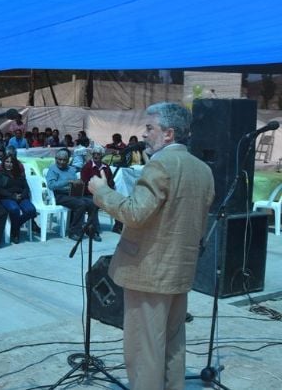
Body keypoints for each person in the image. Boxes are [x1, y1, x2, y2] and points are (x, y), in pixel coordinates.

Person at [88, 102, 214, 390]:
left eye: (149, 128)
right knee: (172, 344)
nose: (144, 134)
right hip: (179, 271)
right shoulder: (203, 169)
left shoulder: (160, 165)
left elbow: (134, 213)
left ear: (168, 134)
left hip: (148, 272)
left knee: (144, 349)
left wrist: (101, 191)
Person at [46, 149, 99, 241]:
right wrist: (66, 182)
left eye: (64, 160)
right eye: (59, 159)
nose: (62, 162)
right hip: (60, 195)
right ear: (56, 159)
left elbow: (74, 181)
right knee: (80, 204)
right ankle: (74, 231)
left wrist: (78, 183)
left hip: (73, 193)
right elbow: (51, 185)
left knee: (92, 203)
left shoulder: (71, 169)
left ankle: (91, 230)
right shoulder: (52, 169)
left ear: (68, 160)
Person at [0, 154, 37, 243]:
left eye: (11, 162)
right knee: (14, 209)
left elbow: (26, 187)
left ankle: (14, 227)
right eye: (7, 162)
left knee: (31, 210)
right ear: (3, 162)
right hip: (7, 197)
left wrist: (22, 195)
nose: (9, 164)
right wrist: (12, 196)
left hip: (21, 196)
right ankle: (15, 233)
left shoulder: (19, 174)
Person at [79, 145, 114, 236]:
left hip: (105, 193)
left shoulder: (106, 167)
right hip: (90, 194)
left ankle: (118, 226)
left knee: (118, 201)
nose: (96, 156)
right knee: (94, 203)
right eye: (94, 154)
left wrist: (108, 191)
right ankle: (94, 230)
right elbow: (85, 183)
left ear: (102, 155)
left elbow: (111, 182)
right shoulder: (87, 167)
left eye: (98, 154)